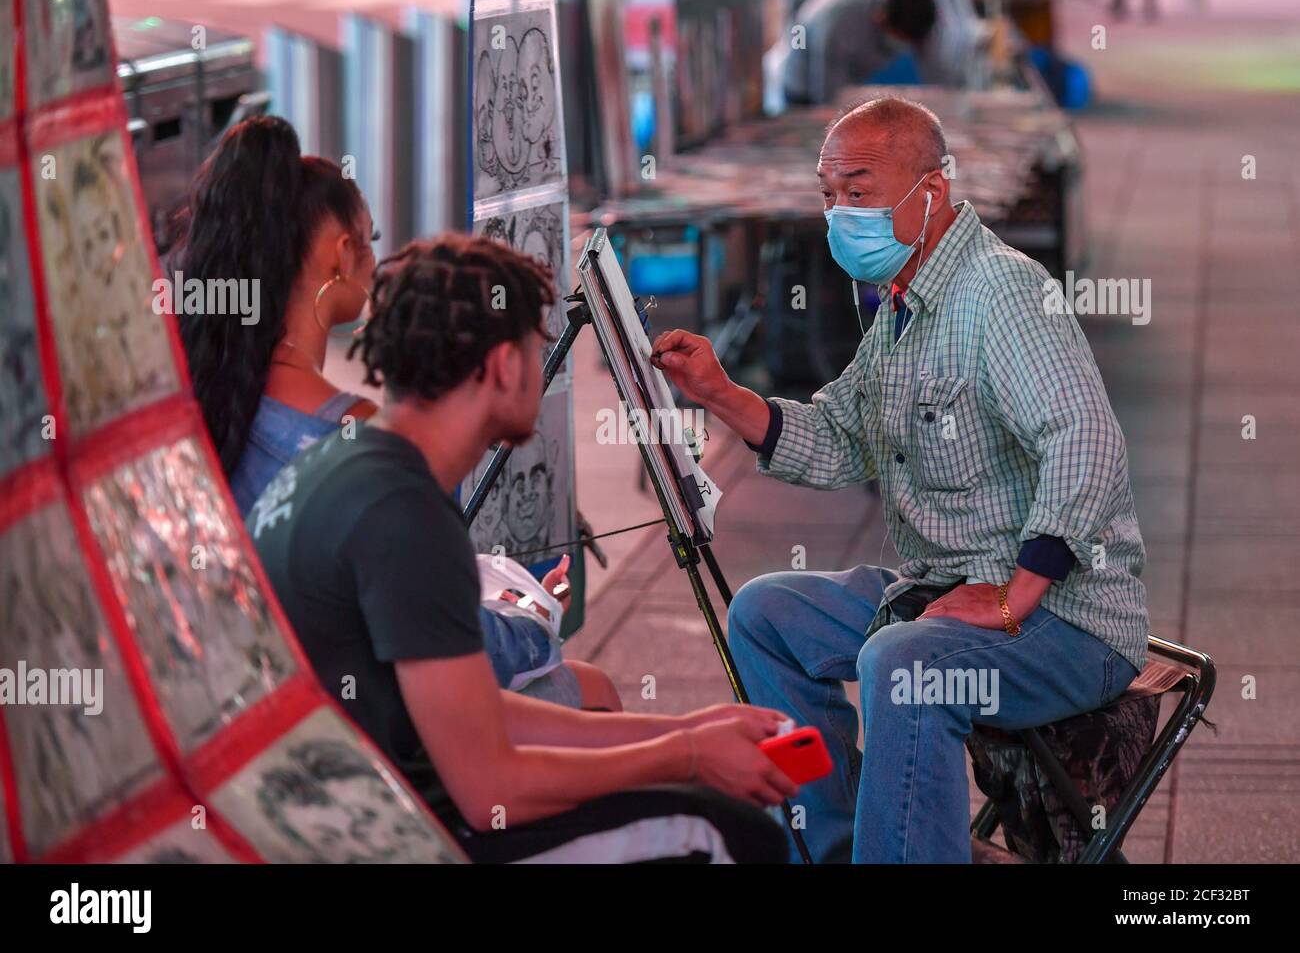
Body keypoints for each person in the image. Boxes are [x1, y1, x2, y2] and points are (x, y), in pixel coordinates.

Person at [651, 96, 1148, 863]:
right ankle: (843, 843)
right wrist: (721, 394)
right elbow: (845, 439)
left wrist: (1018, 592)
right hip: (941, 587)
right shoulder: (903, 303)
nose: (839, 213)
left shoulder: (1000, 293)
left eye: (859, 191)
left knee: (901, 662)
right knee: (765, 613)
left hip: (1069, 617)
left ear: (932, 191)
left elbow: (1085, 441)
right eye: (829, 195)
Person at [246, 233, 794, 862]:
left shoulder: (355, 467)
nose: (545, 368)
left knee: (674, 782)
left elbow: (480, 711)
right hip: (391, 836)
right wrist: (691, 757)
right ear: (504, 364)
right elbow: (490, 791)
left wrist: (689, 730)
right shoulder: (402, 513)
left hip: (353, 808)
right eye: (537, 349)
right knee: (732, 833)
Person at [170, 117, 610, 710]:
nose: (374, 263)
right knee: (592, 689)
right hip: (344, 714)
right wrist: (532, 616)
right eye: (371, 241)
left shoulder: (201, 393)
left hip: (237, 695)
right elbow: (447, 653)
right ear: (341, 253)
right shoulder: (359, 445)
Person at [780, 0, 980, 106]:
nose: (900, 45)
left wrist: (951, 105)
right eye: (899, 37)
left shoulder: (915, 16)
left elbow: (939, 79)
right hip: (802, 87)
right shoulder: (840, 19)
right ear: (881, 18)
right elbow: (825, 97)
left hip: (840, 81)